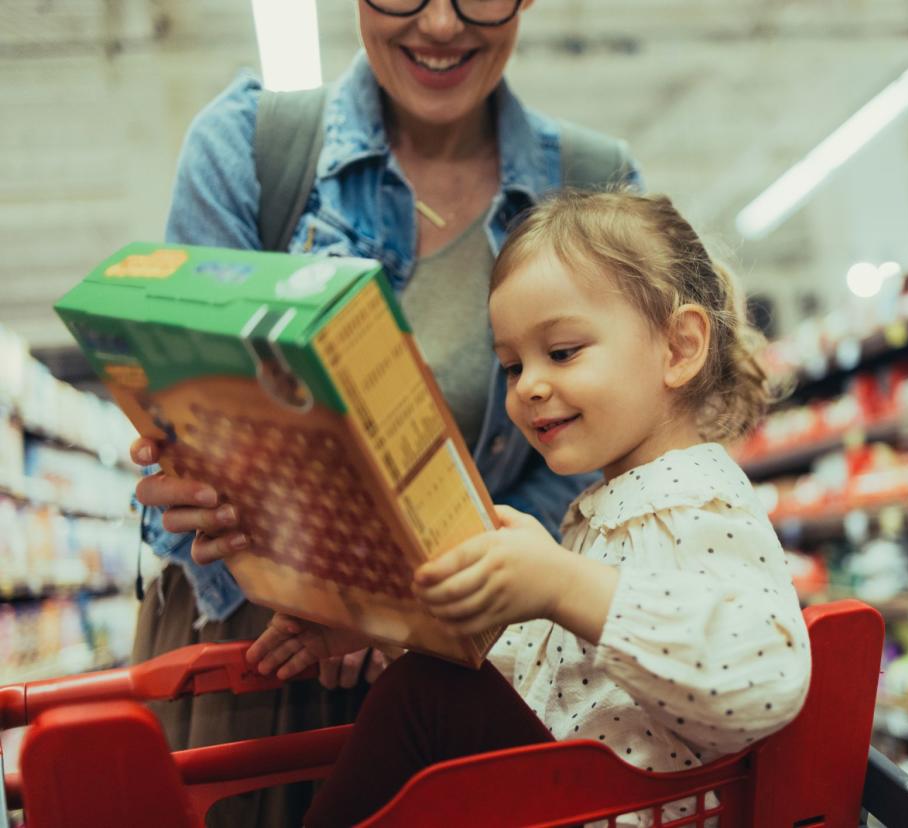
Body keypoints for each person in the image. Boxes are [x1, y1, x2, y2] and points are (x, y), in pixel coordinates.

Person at [129, 1, 641, 824]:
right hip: (253, 655)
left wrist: (418, 599)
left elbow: (603, 474)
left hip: (462, 666)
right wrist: (187, 474)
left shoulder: (591, 188)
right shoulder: (252, 149)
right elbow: (194, 407)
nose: (439, 24)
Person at [221, 191, 814, 827]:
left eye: (562, 352)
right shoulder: (613, 509)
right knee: (429, 683)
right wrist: (379, 624)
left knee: (428, 697)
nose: (529, 385)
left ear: (678, 349)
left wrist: (562, 584)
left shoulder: (698, 501)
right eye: (510, 365)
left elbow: (766, 674)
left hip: (626, 813)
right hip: (575, 803)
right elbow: (539, 682)